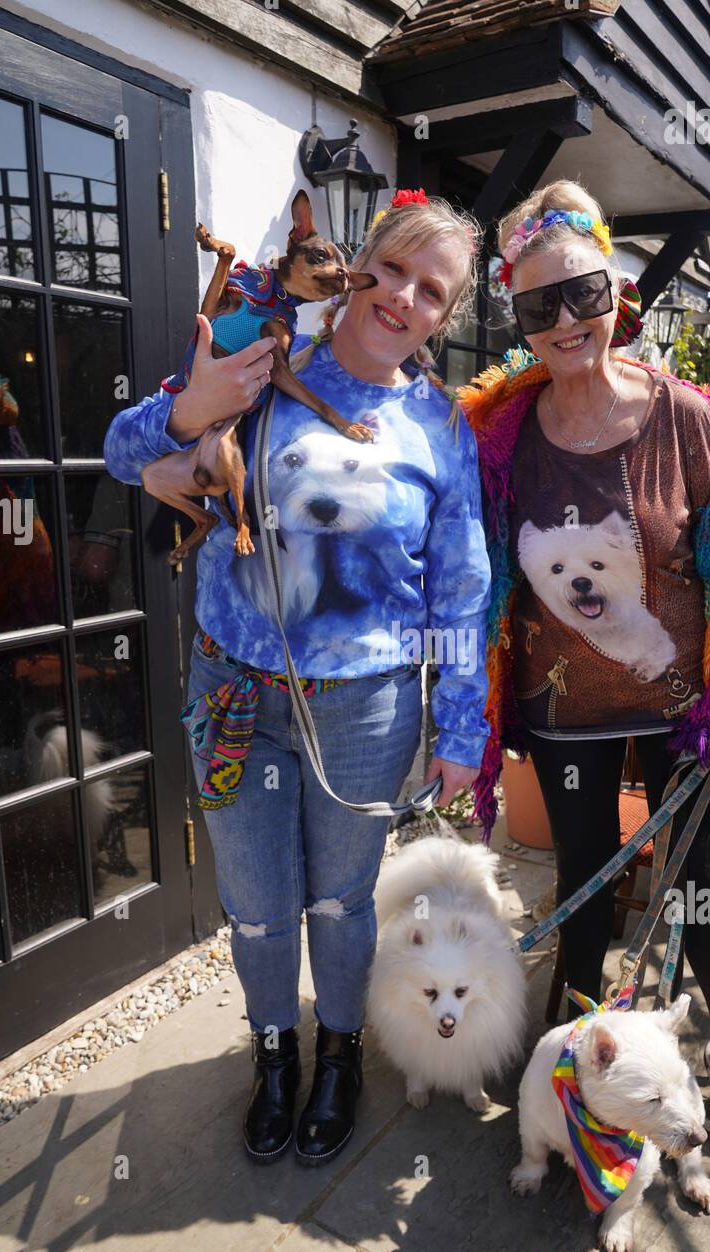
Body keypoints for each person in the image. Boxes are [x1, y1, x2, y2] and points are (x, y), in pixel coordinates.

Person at [102, 189, 491, 1166]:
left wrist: (457, 729)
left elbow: (458, 586)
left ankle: (339, 1057)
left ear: (445, 315)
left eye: (431, 290)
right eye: (393, 268)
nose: (402, 296)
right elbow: (123, 452)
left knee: (341, 902)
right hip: (234, 691)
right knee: (257, 900)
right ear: (359, 265)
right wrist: (196, 406)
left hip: (366, 708)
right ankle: (274, 1055)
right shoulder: (264, 364)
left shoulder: (440, 426)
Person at [460, 180, 710, 1178]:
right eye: (536, 305)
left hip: (686, 715)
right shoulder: (499, 436)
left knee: (708, 897)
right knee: (585, 894)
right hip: (565, 719)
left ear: (617, 292)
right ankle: (575, 1070)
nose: (564, 321)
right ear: (513, 315)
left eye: (582, 294)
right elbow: (466, 564)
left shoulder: (691, 422)